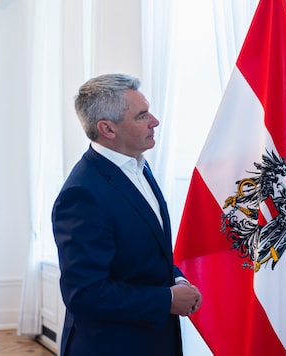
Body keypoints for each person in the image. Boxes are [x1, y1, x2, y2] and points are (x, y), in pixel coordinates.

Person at [52, 74, 202, 356]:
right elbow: (84, 294)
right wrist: (167, 299)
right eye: (141, 115)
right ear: (108, 128)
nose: (154, 121)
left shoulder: (138, 166)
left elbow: (143, 256)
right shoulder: (82, 194)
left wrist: (177, 279)